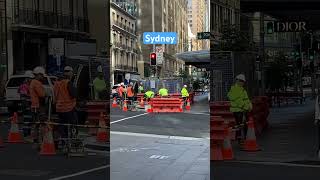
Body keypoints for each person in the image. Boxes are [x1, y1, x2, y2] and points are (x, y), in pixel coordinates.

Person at [53, 66, 78, 148]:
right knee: (71, 126)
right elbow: (73, 94)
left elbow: (55, 95)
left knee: (62, 126)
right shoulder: (68, 83)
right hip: (69, 108)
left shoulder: (57, 83)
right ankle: (69, 143)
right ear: (70, 73)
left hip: (59, 108)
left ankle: (63, 142)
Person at [227, 74, 252, 145]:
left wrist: (249, 105)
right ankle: (240, 139)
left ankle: (243, 139)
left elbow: (246, 99)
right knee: (240, 125)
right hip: (238, 111)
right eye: (241, 81)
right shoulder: (235, 89)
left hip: (243, 110)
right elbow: (238, 101)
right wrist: (247, 107)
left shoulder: (242, 90)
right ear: (237, 81)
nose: (242, 83)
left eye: (243, 81)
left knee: (242, 125)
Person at [29, 66, 46, 145]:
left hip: (34, 105)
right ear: (38, 74)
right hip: (38, 106)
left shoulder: (32, 82)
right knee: (42, 123)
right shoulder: (37, 83)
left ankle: (35, 139)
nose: (43, 77)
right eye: (42, 75)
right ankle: (41, 140)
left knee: (36, 123)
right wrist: (46, 92)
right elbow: (42, 94)